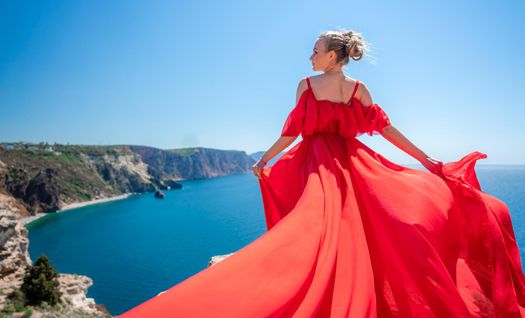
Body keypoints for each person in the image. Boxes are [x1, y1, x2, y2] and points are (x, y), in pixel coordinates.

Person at [118, 30, 525, 317]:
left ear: (332, 56)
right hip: (352, 164)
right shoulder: (358, 90)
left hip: (318, 166)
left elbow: (290, 133)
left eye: (314, 50)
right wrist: (425, 160)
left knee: (317, 231)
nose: (310, 56)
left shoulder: (307, 86)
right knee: (365, 232)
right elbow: (388, 131)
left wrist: (264, 163)